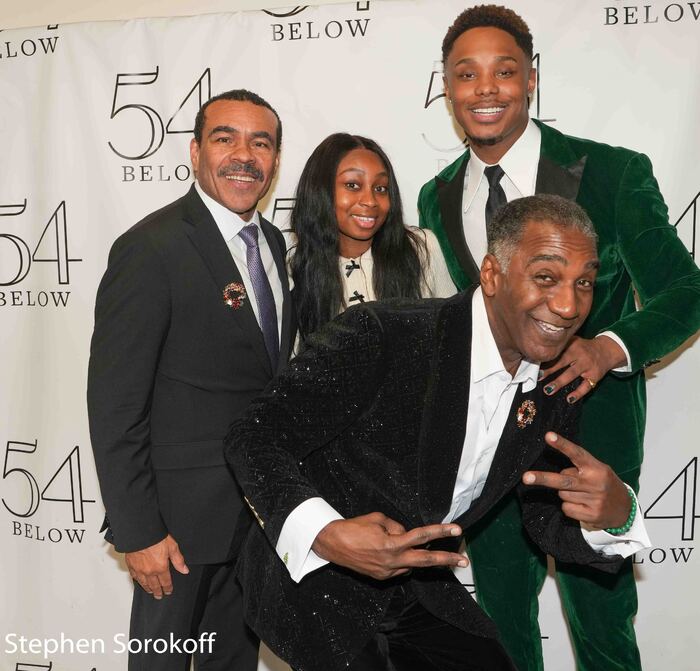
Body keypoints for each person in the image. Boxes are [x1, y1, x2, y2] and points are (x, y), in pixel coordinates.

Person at [225, 195, 650, 671]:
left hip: (422, 587)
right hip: (316, 581)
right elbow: (255, 435)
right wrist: (325, 533)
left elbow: (546, 517)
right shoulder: (384, 333)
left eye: (584, 282)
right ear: (491, 275)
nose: (569, 305)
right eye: (546, 277)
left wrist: (615, 516)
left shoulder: (553, 385)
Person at [417, 6, 700, 670]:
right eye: (466, 74)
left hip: (587, 444)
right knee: (502, 638)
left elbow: (686, 291)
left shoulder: (611, 172)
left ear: (532, 79)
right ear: (448, 89)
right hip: (487, 456)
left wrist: (608, 346)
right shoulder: (436, 196)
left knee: (604, 639)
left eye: (504, 71)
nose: (485, 89)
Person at [87, 89, 294, 671]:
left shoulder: (274, 246)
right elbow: (114, 404)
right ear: (195, 150)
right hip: (173, 534)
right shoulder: (150, 248)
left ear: (276, 161)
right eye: (225, 137)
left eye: (261, 142)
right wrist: (138, 531)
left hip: (251, 522)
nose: (244, 155)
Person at [289, 132, 455, 346]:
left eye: (380, 188)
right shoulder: (295, 267)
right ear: (320, 190)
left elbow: (453, 336)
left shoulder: (421, 248)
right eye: (352, 185)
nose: (370, 201)